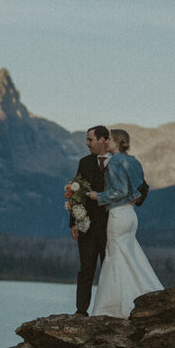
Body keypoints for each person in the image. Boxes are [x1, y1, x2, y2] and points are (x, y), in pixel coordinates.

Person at [87, 129, 163, 318]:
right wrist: (136, 197)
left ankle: (117, 307)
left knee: (115, 256)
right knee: (130, 254)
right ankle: (146, 293)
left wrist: (98, 196)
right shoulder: (133, 161)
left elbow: (119, 191)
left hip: (118, 214)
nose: (106, 143)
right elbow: (141, 187)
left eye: (110, 140)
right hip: (130, 215)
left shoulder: (115, 162)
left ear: (117, 142)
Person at [71, 125, 110, 315]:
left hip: (111, 227)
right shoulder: (84, 162)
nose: (87, 144)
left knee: (109, 270)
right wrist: (74, 222)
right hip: (86, 226)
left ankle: (106, 310)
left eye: (90, 139)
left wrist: (135, 200)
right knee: (86, 270)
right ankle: (81, 311)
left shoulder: (120, 162)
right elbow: (76, 192)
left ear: (103, 140)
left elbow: (140, 187)